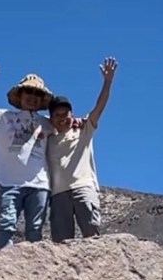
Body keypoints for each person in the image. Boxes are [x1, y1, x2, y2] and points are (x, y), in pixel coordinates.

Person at [0, 61, 54, 249]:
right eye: (29, 92)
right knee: (5, 225)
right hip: (9, 183)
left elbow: (70, 125)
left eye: (38, 94)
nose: (33, 97)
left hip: (39, 185)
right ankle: (4, 267)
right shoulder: (2, 117)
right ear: (20, 95)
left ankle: (33, 270)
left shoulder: (48, 124)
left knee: (35, 229)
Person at [46, 57, 117, 243]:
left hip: (83, 188)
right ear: (51, 118)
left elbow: (99, 107)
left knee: (92, 236)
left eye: (65, 114)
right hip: (58, 193)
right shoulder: (47, 139)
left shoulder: (84, 129)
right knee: (61, 243)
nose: (62, 118)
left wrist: (107, 82)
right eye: (57, 115)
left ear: (72, 114)